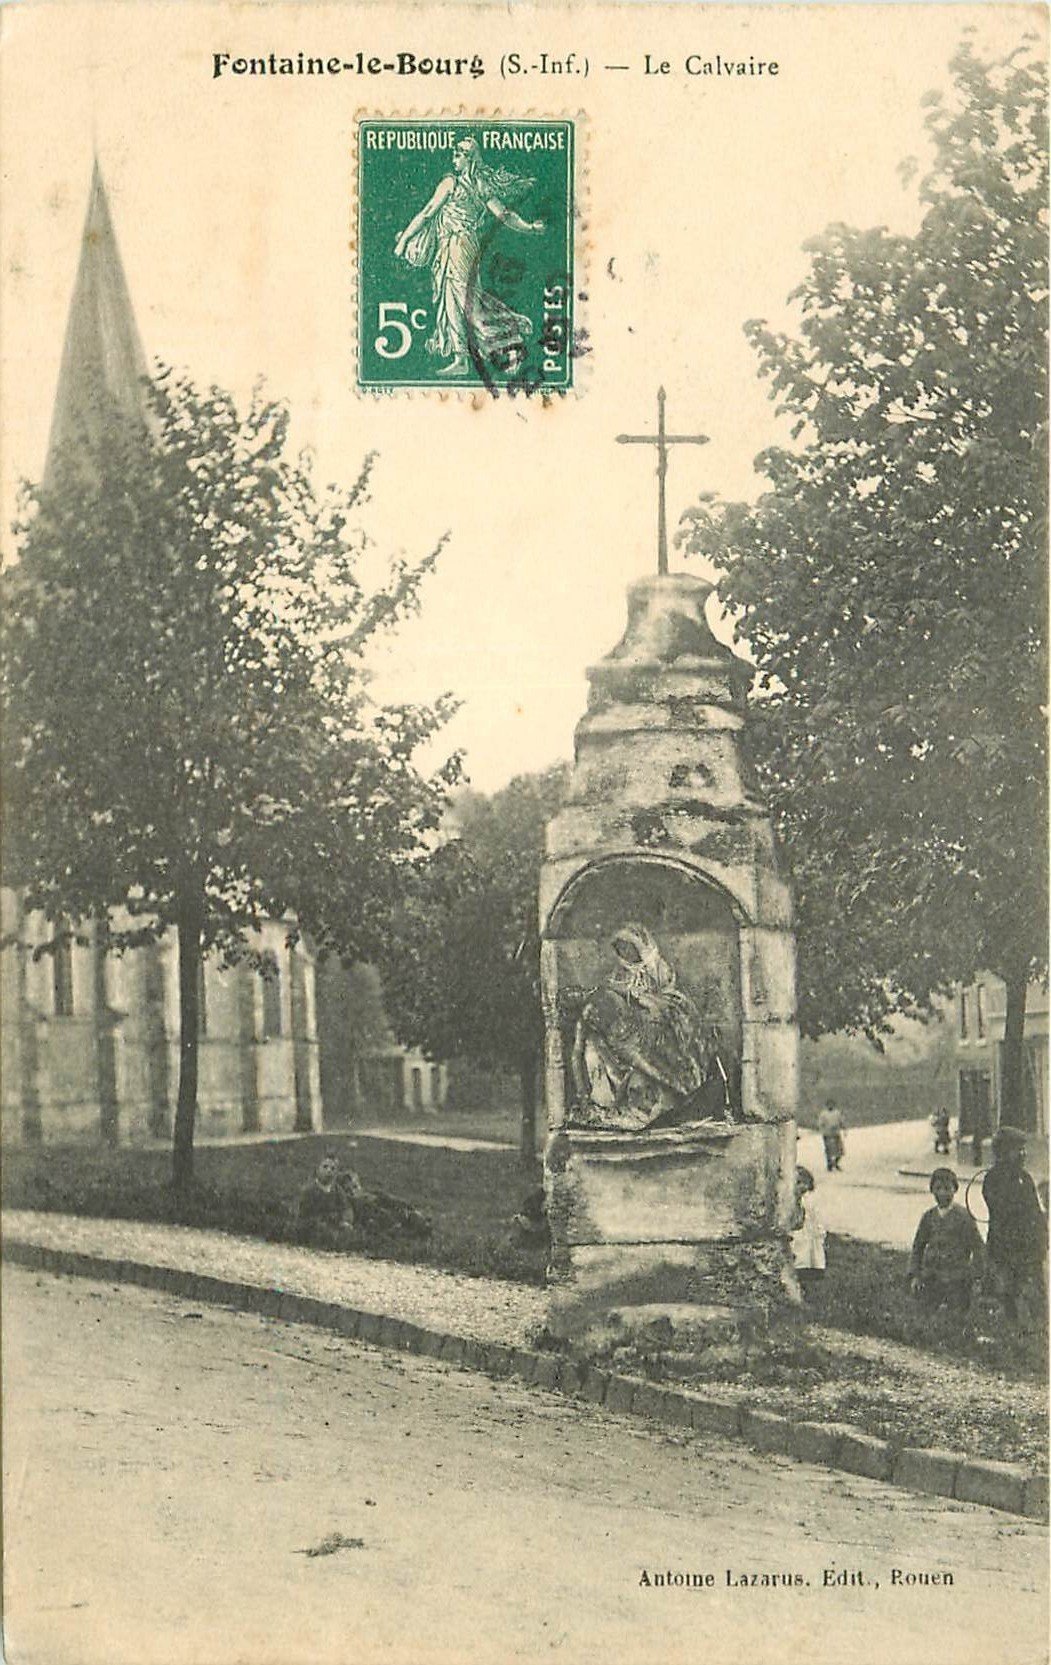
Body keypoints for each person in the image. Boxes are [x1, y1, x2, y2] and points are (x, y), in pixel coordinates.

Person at [394, 137, 544, 375]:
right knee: (452, 300)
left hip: (460, 246)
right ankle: (461, 358)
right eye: (455, 151)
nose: (455, 155)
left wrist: (403, 241)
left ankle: (509, 342)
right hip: (448, 247)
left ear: (471, 158)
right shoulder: (457, 183)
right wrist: (530, 227)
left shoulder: (459, 184)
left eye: (460, 152)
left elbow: (428, 213)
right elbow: (428, 213)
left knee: (467, 301)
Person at [567, 923, 737, 1132]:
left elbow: (668, 997)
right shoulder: (618, 974)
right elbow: (613, 1000)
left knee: (662, 1038)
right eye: (621, 949)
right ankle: (624, 1102)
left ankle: (669, 1093)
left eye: (629, 947)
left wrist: (645, 1000)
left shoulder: (657, 967)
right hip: (630, 1029)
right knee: (606, 1046)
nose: (625, 953)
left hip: (656, 1023)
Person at [982, 1127, 1048, 1326]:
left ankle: (1039, 1326)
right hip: (1006, 1246)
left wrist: (1042, 1236)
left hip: (1028, 1246)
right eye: (1016, 1149)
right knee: (1007, 1290)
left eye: (1023, 1149)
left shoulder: (1025, 1178)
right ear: (1001, 1153)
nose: (1022, 1154)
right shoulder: (993, 1179)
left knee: (1036, 1290)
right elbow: (1001, 1212)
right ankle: (1013, 1327)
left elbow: (1034, 1211)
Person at [909, 1168, 984, 1313]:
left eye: (947, 1188)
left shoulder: (964, 1217)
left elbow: (978, 1247)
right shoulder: (928, 1217)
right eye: (938, 1188)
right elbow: (918, 1247)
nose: (942, 1193)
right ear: (932, 1191)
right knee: (926, 1316)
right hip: (931, 1277)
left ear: (954, 1190)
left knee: (956, 1316)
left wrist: (976, 1277)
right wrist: (915, 1275)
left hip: (957, 1279)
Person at [790, 1166, 826, 1290]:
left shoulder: (809, 1200)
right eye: (797, 1183)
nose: (800, 1187)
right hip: (797, 1235)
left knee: (808, 1256)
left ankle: (806, 1279)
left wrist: (820, 1232)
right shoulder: (791, 1200)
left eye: (803, 1183)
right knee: (798, 1256)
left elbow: (816, 1218)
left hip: (809, 1233)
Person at [816, 1099, 845, 1172]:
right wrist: (824, 1129)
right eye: (829, 1105)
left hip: (836, 1134)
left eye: (832, 1104)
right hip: (827, 1134)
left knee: (839, 1150)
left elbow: (841, 1121)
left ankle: (835, 1163)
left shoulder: (837, 1113)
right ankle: (829, 1164)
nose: (830, 1106)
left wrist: (844, 1129)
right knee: (829, 1150)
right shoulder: (823, 1114)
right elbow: (820, 1124)